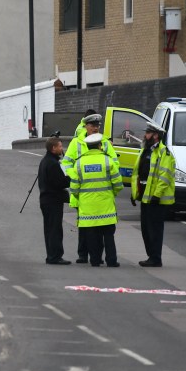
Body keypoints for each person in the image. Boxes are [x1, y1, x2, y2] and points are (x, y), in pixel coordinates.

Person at [61, 113, 118, 263]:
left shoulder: (105, 142)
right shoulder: (76, 142)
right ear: (86, 126)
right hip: (84, 190)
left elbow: (115, 163)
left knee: (95, 227)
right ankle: (83, 254)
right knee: (85, 226)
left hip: (96, 192)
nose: (95, 128)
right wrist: (76, 176)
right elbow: (66, 163)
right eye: (92, 126)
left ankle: (95, 257)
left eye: (97, 126)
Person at [69, 133, 123, 267]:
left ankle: (95, 260)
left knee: (92, 235)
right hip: (106, 206)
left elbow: (74, 187)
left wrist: (80, 197)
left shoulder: (79, 163)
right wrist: (111, 194)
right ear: (100, 146)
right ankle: (111, 260)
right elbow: (118, 183)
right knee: (109, 235)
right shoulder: (107, 161)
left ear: (87, 147)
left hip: (88, 208)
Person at [131, 122, 176, 267]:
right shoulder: (146, 150)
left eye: (148, 133)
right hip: (145, 196)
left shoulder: (164, 153)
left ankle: (156, 258)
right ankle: (151, 256)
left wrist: (157, 195)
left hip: (156, 199)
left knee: (155, 230)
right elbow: (138, 173)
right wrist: (134, 193)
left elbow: (165, 176)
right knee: (146, 229)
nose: (145, 135)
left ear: (156, 136)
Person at [39, 136, 71, 265]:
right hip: (52, 200)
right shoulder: (52, 163)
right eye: (59, 146)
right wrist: (68, 178)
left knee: (50, 228)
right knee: (55, 229)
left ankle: (51, 255)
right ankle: (55, 256)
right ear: (53, 148)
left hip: (46, 200)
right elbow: (59, 183)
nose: (61, 148)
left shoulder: (45, 161)